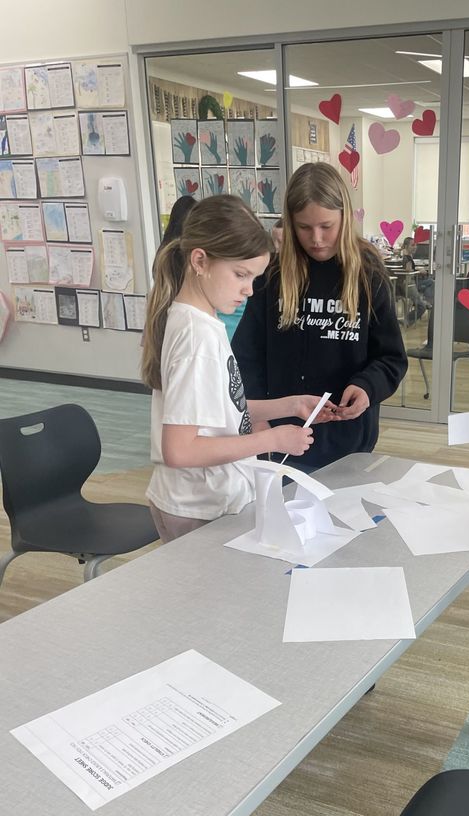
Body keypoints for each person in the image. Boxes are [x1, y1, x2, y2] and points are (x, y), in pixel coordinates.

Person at [141, 194, 338, 543]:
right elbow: (180, 450)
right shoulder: (195, 337)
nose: (249, 291)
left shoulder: (203, 322)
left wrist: (289, 406)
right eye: (240, 275)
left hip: (206, 502)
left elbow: (220, 411)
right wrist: (273, 438)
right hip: (196, 508)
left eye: (254, 278)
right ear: (200, 261)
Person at [232, 163, 407, 471]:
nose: (316, 239)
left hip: (350, 442)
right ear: (289, 223)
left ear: (345, 216)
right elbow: (247, 359)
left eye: (326, 226)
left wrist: (368, 387)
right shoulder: (270, 277)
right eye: (303, 227)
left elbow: (391, 358)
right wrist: (257, 422)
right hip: (281, 440)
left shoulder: (368, 273)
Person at [399, 236, 429, 324]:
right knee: (422, 307)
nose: (415, 247)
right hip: (409, 284)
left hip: (409, 283)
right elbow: (408, 270)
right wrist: (418, 271)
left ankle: (425, 301)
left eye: (415, 245)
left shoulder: (407, 256)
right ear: (406, 246)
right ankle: (407, 320)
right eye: (412, 245)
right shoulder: (406, 258)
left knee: (431, 282)